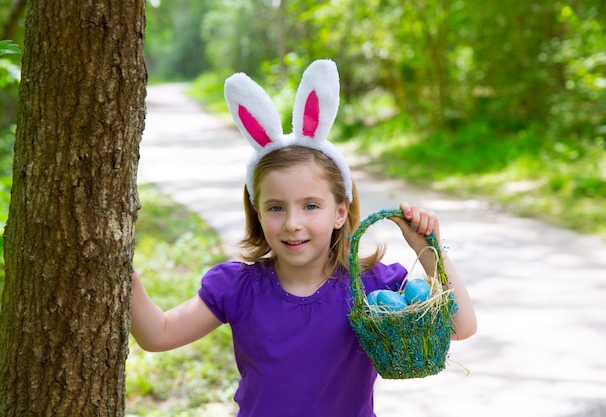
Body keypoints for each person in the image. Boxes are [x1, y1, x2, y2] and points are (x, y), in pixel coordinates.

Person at [131, 60, 477, 417]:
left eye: (310, 206)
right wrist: (119, 269)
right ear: (258, 211)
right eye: (276, 208)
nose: (292, 223)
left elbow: (460, 325)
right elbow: (159, 334)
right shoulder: (238, 288)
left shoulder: (370, 288)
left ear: (340, 212)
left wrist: (428, 249)